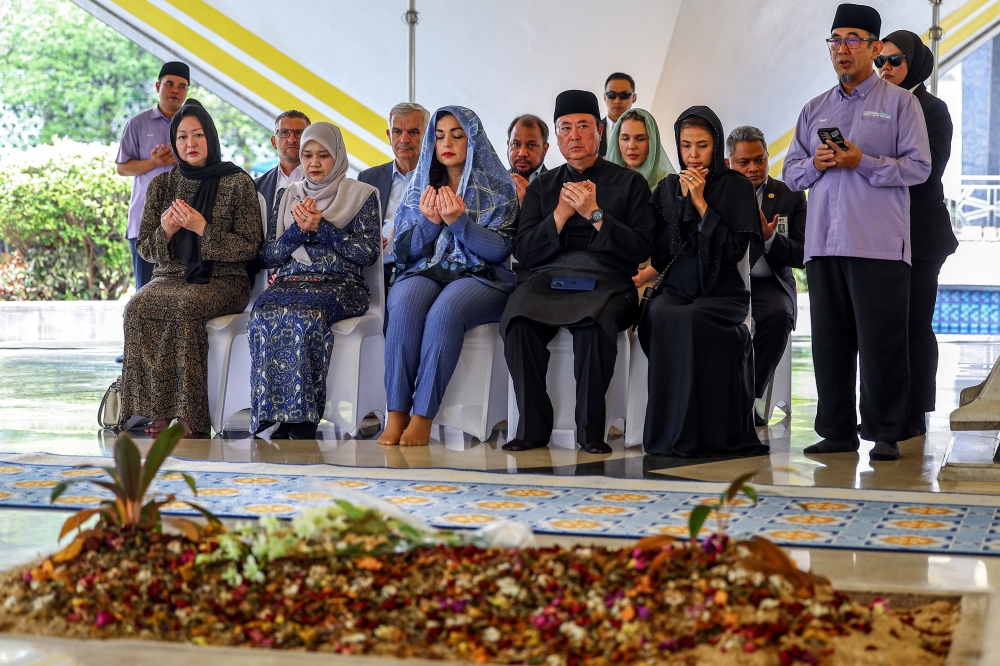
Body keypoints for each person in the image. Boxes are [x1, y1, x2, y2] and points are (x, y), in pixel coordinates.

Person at [783, 4, 931, 461]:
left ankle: (886, 433)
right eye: (835, 40)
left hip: (879, 244)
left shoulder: (900, 103)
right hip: (824, 241)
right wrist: (817, 163)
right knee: (829, 343)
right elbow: (790, 173)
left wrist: (861, 161)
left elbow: (920, 167)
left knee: (882, 341)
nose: (842, 49)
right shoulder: (815, 108)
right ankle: (837, 431)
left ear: (873, 47)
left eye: (852, 40)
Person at [501, 90, 655, 454]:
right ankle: (534, 428)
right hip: (548, 278)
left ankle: (590, 432)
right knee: (518, 322)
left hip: (609, 282)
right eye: (565, 128)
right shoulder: (542, 185)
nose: (574, 135)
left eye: (583, 126)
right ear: (556, 138)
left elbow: (642, 249)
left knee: (593, 328)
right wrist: (559, 216)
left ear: (600, 131)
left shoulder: (630, 183)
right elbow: (523, 250)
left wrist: (594, 213)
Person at [118, 100, 263, 437]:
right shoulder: (161, 186)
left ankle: (190, 416)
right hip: (169, 277)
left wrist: (202, 228)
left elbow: (249, 246)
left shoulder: (236, 182)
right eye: (182, 137)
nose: (190, 144)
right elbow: (146, 249)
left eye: (197, 135)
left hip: (223, 279)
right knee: (137, 307)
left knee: (185, 308)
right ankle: (154, 408)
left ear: (210, 137)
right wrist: (166, 231)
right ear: (174, 143)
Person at [378, 106, 518, 447]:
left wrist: (459, 223)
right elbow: (403, 252)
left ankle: (422, 417)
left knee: (445, 311)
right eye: (439, 136)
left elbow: (500, 251)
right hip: (426, 268)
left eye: (457, 135)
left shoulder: (500, 188)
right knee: (405, 305)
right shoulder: (418, 183)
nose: (447, 143)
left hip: (483, 277)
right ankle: (396, 413)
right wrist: (430, 223)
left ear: (475, 141)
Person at [637, 107, 767, 458]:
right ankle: (669, 436)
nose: (693, 155)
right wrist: (680, 205)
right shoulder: (666, 188)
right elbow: (662, 253)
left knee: (691, 319)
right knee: (661, 313)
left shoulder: (736, 186)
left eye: (702, 146)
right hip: (678, 287)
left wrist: (700, 203)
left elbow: (736, 249)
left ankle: (704, 434)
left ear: (716, 145)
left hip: (723, 290)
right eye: (685, 146)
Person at [248, 122, 381, 439]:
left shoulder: (361, 195)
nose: (314, 163)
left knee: (305, 317)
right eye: (307, 155)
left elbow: (367, 254)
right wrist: (298, 230)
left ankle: (303, 418)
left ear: (338, 156)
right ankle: (277, 415)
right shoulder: (288, 196)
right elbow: (269, 257)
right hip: (291, 282)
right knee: (265, 313)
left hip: (342, 286)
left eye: (323, 155)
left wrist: (322, 228)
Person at [879, 30, 958, 437]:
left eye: (894, 60)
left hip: (922, 234)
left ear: (915, 62)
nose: (885, 68)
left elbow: (928, 171)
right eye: (880, 61)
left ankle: (914, 413)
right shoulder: (875, 107)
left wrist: (872, 164)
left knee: (914, 323)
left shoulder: (933, 109)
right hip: (880, 233)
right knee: (884, 325)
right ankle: (886, 410)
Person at [724, 126, 807, 423]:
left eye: (760, 160)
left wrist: (771, 238)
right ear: (728, 163)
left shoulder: (790, 196)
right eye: (744, 162)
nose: (753, 168)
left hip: (768, 282)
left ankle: (746, 401)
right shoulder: (716, 193)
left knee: (777, 316)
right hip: (725, 282)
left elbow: (802, 255)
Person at [116, 62, 190, 293]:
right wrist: (155, 162)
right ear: (158, 86)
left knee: (182, 294)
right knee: (145, 294)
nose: (175, 90)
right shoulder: (137, 124)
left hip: (186, 222)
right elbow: (122, 168)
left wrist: (182, 160)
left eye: (182, 86)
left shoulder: (193, 126)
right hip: (144, 224)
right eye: (169, 84)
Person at [358, 102, 430, 297]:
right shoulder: (367, 179)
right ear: (389, 136)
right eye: (397, 131)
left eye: (413, 132)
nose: (404, 139)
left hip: (421, 269)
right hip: (376, 267)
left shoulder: (439, 178)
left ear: (427, 136)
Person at [255, 110, 311, 218]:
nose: (292, 139)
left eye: (299, 133)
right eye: (284, 132)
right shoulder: (256, 187)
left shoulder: (326, 184)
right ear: (273, 142)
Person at [605, 108, 675, 191]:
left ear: (652, 143)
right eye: (625, 138)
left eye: (640, 139)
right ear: (617, 141)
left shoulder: (668, 185)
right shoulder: (605, 179)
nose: (631, 146)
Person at [507, 114, 550, 205]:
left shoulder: (558, 188)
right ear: (508, 145)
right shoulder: (494, 185)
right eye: (516, 144)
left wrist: (528, 206)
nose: (522, 153)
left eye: (531, 145)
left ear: (545, 148)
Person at [599, 73, 636, 157]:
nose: (617, 101)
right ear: (605, 97)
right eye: (611, 95)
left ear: (634, 97)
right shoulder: (592, 130)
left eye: (624, 95)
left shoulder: (646, 130)